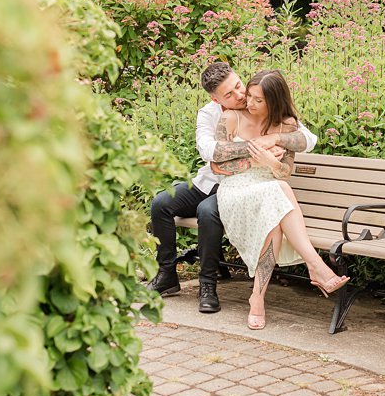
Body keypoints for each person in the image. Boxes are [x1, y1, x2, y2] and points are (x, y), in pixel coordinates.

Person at [148, 61, 318, 313]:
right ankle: (167, 274)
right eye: (229, 94)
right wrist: (259, 146)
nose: (240, 96)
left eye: (238, 86)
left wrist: (276, 138)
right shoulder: (209, 113)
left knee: (207, 212)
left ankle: (208, 284)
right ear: (216, 100)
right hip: (209, 181)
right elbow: (209, 151)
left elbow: (308, 139)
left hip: (238, 187)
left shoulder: (258, 99)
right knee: (161, 203)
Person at [210, 68, 348, 330]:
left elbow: (284, 171)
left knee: (275, 210)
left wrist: (271, 160)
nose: (248, 103)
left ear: (274, 101)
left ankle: (257, 298)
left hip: (269, 191)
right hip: (236, 191)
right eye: (249, 96)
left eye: (257, 100)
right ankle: (316, 265)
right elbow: (217, 165)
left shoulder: (287, 126)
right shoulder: (231, 118)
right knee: (280, 190)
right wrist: (255, 157)